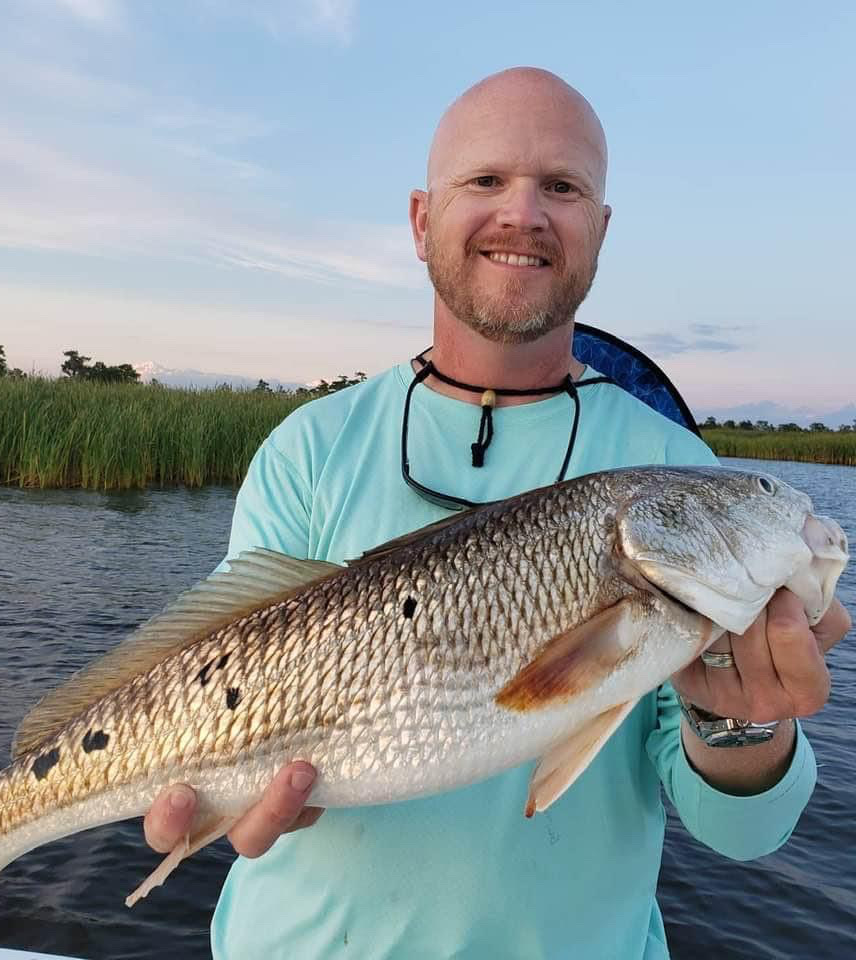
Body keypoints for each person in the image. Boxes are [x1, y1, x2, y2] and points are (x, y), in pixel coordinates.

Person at [143, 68, 850, 959]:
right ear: (420, 220)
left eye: (563, 186)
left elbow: (744, 835)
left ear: (600, 229)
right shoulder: (308, 447)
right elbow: (218, 665)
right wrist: (216, 798)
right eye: (485, 181)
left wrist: (740, 721)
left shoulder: (676, 469)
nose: (524, 213)